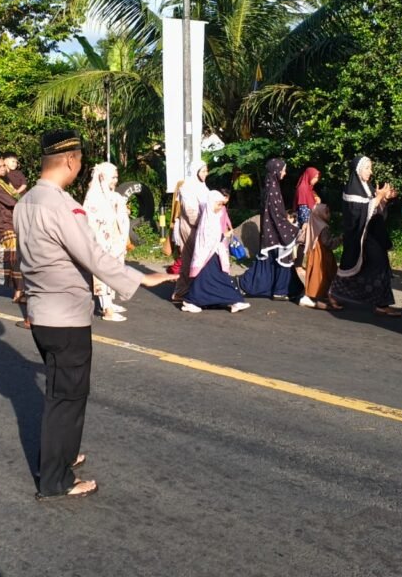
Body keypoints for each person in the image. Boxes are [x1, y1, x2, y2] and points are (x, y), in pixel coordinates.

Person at [13, 129, 175, 501]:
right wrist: (141, 279)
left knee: (64, 392)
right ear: (70, 160)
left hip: (42, 313)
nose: (80, 167)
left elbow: (25, 259)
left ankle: (62, 456)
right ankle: (54, 479)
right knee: (66, 397)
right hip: (67, 316)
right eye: (80, 161)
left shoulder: (26, 202)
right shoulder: (61, 206)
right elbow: (93, 254)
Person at [329, 156, 401, 315]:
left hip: (371, 236)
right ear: (358, 169)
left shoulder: (366, 187)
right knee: (373, 265)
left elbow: (372, 211)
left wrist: (384, 199)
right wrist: (379, 198)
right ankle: (334, 293)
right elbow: (358, 214)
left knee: (379, 266)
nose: (371, 171)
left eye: (370, 168)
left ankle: (381, 304)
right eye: (367, 168)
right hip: (360, 238)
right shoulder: (352, 189)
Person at [239, 159, 300, 300]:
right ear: (276, 170)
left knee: (270, 259)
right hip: (275, 230)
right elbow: (275, 214)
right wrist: (290, 228)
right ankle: (280, 290)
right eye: (283, 170)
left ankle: (265, 287)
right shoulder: (272, 188)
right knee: (282, 257)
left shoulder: (271, 185)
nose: (285, 173)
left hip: (271, 230)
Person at [182, 190, 250, 313]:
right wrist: (223, 235)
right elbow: (208, 238)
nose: (220, 207)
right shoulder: (207, 218)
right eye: (218, 204)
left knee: (211, 279)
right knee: (216, 278)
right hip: (209, 255)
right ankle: (234, 300)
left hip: (213, 253)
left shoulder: (212, 217)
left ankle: (234, 300)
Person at [83, 162, 131, 321]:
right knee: (103, 273)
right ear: (102, 176)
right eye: (113, 177)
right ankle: (107, 309)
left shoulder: (112, 195)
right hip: (102, 241)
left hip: (115, 239)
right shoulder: (94, 196)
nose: (115, 181)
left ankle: (110, 301)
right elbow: (91, 219)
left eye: (116, 177)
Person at [0, 156, 25, 311]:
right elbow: (12, 202)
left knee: (10, 258)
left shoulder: (5, 182)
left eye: (4, 165)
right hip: (5, 225)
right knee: (14, 258)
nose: (3, 168)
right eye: (0, 166)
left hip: (13, 222)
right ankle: (18, 291)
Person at [171, 161, 209, 302]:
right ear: (195, 171)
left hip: (201, 227)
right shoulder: (187, 187)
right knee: (191, 259)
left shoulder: (202, 187)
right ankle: (184, 292)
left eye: (206, 171)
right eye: (203, 171)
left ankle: (187, 291)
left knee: (195, 259)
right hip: (191, 227)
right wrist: (203, 224)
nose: (206, 174)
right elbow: (190, 211)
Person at [296, 203, 343, 310]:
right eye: (326, 212)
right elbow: (328, 243)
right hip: (322, 256)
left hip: (314, 254)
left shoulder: (314, 224)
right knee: (322, 275)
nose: (329, 215)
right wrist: (340, 239)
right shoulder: (323, 227)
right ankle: (313, 297)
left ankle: (319, 295)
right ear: (320, 214)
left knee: (317, 275)